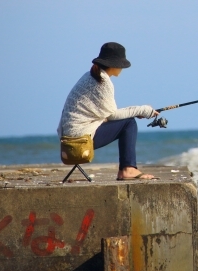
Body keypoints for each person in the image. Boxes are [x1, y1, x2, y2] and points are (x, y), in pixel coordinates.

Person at [57, 42, 158, 180]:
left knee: (127, 120)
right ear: (113, 64)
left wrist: (138, 111)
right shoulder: (103, 82)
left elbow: (102, 114)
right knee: (129, 123)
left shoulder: (89, 76)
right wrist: (143, 110)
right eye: (121, 64)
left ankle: (126, 169)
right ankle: (128, 170)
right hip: (80, 141)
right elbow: (112, 115)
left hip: (67, 140)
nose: (122, 68)